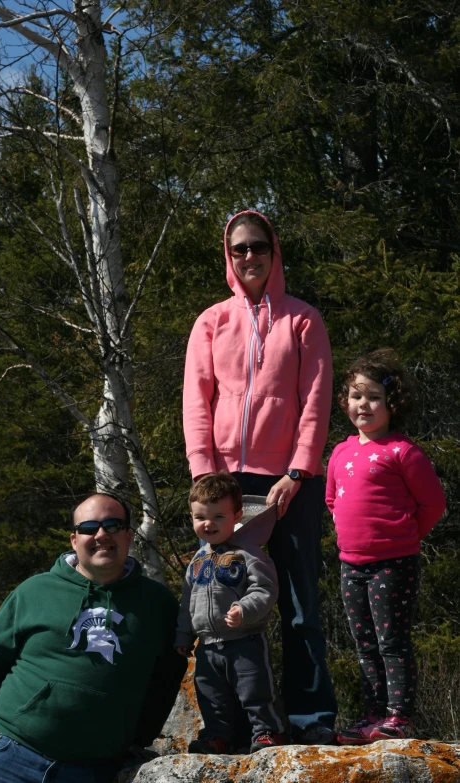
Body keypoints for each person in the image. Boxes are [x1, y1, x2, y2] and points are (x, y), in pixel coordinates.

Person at [183, 210, 337, 744]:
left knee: (297, 604)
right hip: (227, 485)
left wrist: (298, 470)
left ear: (274, 251)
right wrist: (207, 479)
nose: (249, 256)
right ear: (229, 257)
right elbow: (197, 405)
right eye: (238, 248)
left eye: (258, 246)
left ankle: (308, 722)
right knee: (219, 606)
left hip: (290, 481)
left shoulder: (303, 320)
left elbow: (316, 402)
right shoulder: (211, 321)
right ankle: (234, 725)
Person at [0, 493, 187, 783]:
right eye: (89, 528)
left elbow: (167, 678)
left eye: (112, 525)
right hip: (8, 755)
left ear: (128, 535)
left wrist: (138, 738)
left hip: (93, 770)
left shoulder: (158, 604)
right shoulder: (34, 591)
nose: (101, 535)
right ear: (74, 539)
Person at [326, 349, 446, 744]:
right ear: (345, 401)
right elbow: (332, 500)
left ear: (392, 404)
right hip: (351, 564)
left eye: (374, 397)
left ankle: (399, 717)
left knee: (392, 641)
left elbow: (433, 504)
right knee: (364, 644)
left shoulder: (403, 452)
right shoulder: (341, 452)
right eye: (356, 395)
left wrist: (404, 538)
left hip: (393, 564)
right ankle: (371, 715)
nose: (364, 404)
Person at [175, 472, 284, 754]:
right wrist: (184, 635)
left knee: (255, 690)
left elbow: (265, 590)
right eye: (200, 518)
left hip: (245, 639)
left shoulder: (249, 554)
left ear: (236, 515)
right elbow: (188, 601)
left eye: (218, 517)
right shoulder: (196, 561)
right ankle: (217, 735)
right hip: (207, 646)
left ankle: (266, 732)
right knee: (211, 695)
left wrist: (243, 609)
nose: (208, 524)